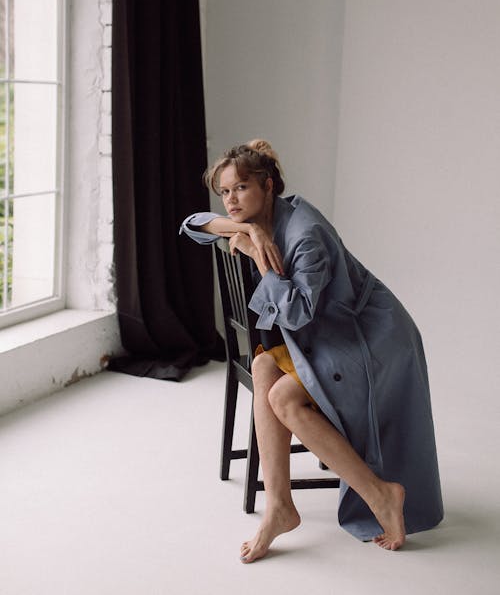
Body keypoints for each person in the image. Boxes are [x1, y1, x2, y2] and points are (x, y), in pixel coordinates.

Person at [180, 139, 443, 563]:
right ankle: (279, 508)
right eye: (224, 191)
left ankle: (381, 494)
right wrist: (246, 229)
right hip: (327, 334)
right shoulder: (253, 221)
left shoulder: (306, 234)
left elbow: (299, 313)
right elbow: (192, 224)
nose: (230, 200)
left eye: (240, 188)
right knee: (264, 366)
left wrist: (261, 259)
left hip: (369, 338)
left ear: (267, 186)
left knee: (282, 397)